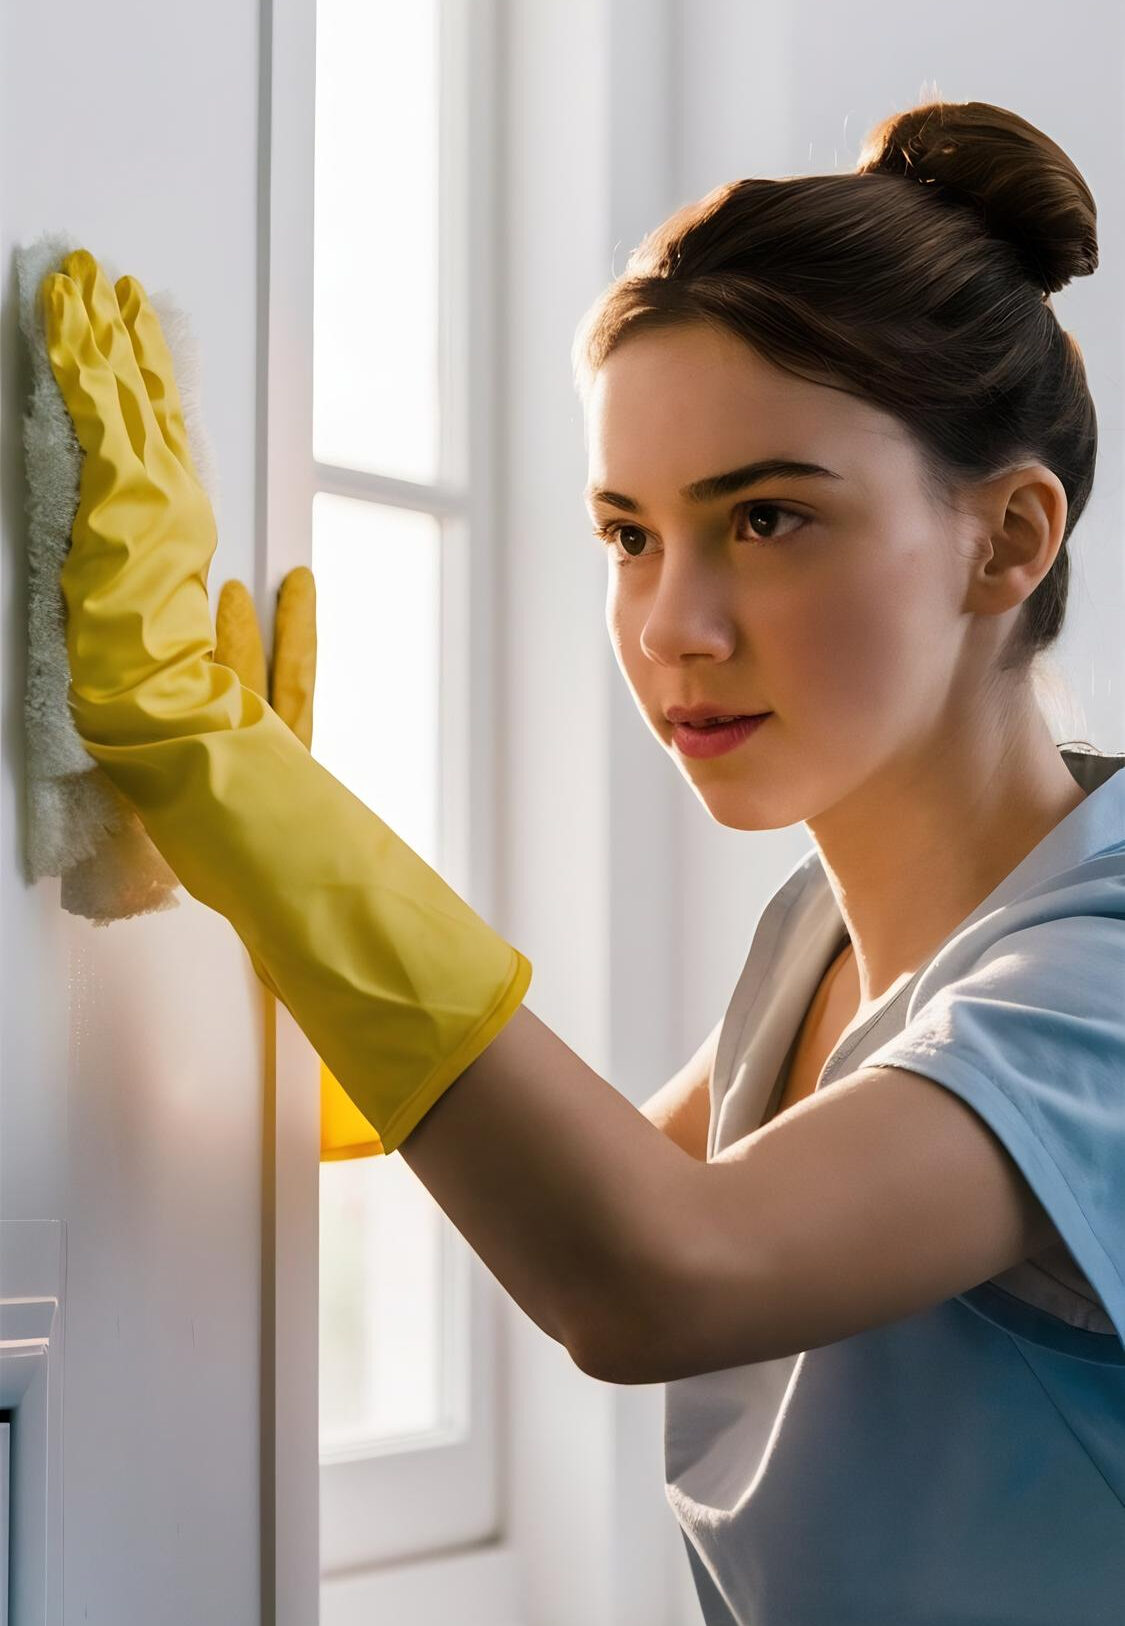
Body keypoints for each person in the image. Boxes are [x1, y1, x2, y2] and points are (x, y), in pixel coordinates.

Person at [42, 95, 1125, 1624]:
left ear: (1008, 538)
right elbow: (597, 1179)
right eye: (628, 534)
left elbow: (656, 1271)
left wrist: (237, 784)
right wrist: (266, 889)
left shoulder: (1102, 973)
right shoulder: (817, 931)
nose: (674, 624)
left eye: (765, 516)